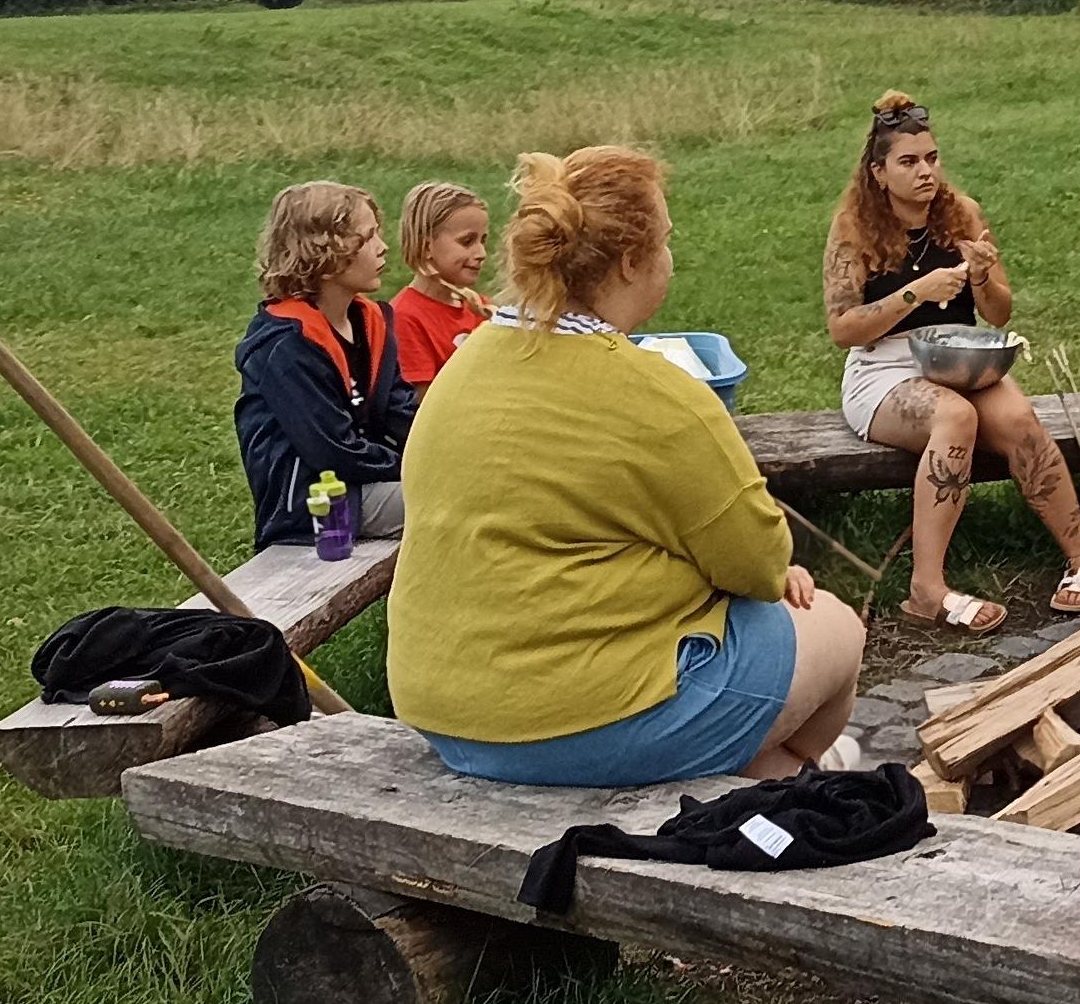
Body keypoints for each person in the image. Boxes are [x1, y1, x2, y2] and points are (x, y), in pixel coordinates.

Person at [391, 145, 866, 785]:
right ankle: (797, 778)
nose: (670, 255)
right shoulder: (658, 394)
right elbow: (757, 564)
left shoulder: (468, 363)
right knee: (835, 625)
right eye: (665, 240)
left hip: (445, 709)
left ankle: (770, 771)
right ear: (631, 262)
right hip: (582, 724)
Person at [822, 91, 1080, 634]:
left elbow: (998, 313)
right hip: (883, 369)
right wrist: (916, 293)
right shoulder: (853, 227)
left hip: (959, 355)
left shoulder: (962, 213)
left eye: (931, 158)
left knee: (1020, 420)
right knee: (956, 417)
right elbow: (842, 329)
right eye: (908, 162)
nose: (925, 171)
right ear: (879, 173)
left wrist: (981, 277)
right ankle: (926, 589)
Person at [234, 179, 414, 549]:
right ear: (325, 254)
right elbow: (334, 451)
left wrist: (446, 451)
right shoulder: (286, 345)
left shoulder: (369, 322)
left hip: (369, 484)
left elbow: (403, 413)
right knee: (465, 500)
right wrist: (415, 466)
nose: (383, 247)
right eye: (368, 237)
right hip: (318, 505)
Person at [387, 180, 494, 386]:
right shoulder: (405, 318)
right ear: (426, 247)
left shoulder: (480, 307)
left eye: (483, 241)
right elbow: (422, 400)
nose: (481, 253)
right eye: (467, 241)